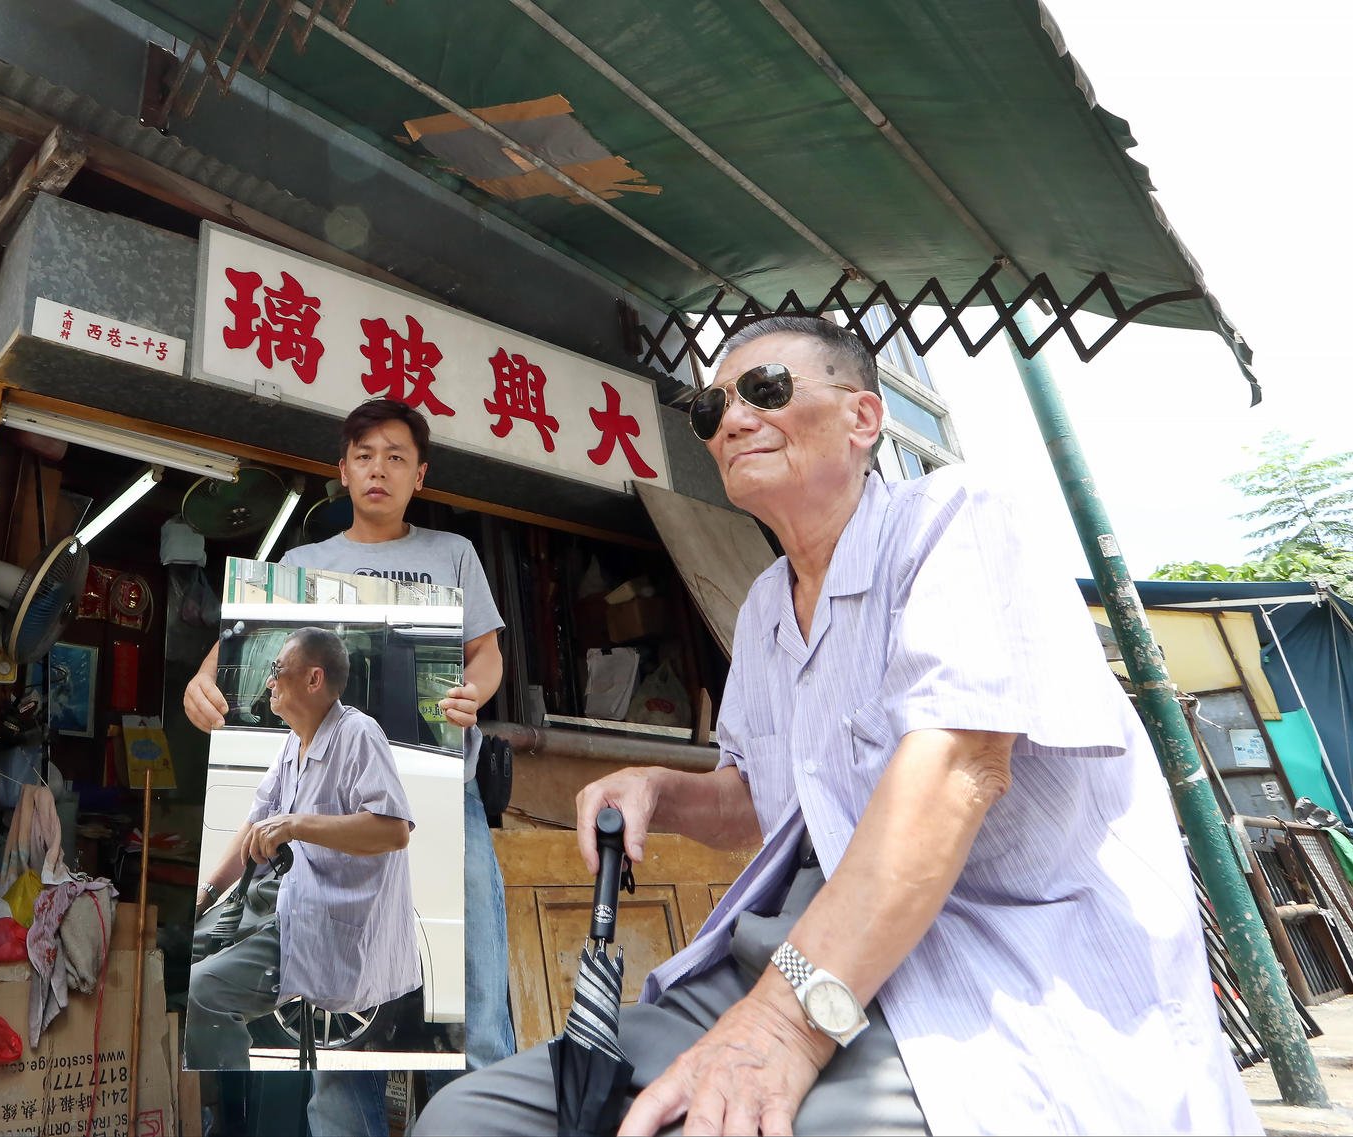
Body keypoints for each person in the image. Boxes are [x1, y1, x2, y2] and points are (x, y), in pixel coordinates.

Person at [415, 315, 1259, 1135]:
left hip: (989, 953)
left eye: (766, 388)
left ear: (864, 416)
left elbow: (959, 770)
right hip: (793, 945)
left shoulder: (955, 516)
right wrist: (659, 789)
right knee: (469, 1114)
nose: (732, 420)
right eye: (711, 411)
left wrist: (779, 1028)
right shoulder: (761, 609)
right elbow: (758, 799)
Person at [185, 398, 513, 1133]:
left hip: (444, 800)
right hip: (332, 834)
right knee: (338, 1051)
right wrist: (202, 684)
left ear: (419, 473)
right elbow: (236, 650)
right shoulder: (303, 566)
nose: (379, 469)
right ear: (342, 471)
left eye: (396, 456)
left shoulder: (451, 553)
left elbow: (486, 651)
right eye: (365, 455)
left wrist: (474, 691)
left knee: (474, 1009)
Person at [186, 627, 419, 1070]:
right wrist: (208, 894)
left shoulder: (358, 735)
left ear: (314, 679)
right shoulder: (293, 743)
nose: (269, 682)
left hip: (324, 926)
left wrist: (297, 825)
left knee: (205, 990)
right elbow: (257, 820)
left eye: (276, 669)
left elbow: (394, 832)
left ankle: (229, 1107)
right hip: (285, 906)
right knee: (187, 947)